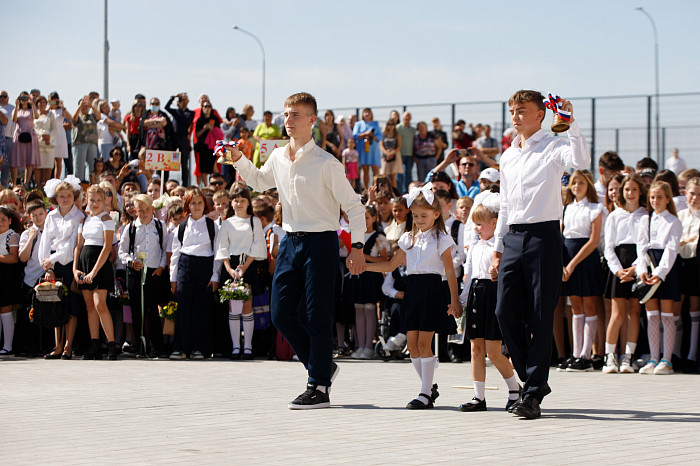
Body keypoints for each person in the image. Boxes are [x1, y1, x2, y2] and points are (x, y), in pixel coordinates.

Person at [225, 92, 366, 409]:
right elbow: (261, 182)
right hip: (289, 240)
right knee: (281, 313)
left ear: (312, 120)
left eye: (296, 115)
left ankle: (318, 386)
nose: (288, 120)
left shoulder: (327, 163)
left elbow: (354, 207)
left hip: (321, 241)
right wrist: (239, 159)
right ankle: (322, 367)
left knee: (318, 315)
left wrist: (357, 245)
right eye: (286, 114)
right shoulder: (277, 156)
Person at [491, 90, 589, 419]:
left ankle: (532, 394)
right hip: (514, 237)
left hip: (545, 236)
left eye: (523, 110)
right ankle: (533, 379)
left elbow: (581, 162)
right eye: (513, 111)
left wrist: (571, 124)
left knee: (540, 316)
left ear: (539, 115)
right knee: (504, 312)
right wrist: (497, 247)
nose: (516, 116)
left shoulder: (552, 144)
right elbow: (504, 205)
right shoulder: (507, 156)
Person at [364, 183, 461, 409]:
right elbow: (389, 264)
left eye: (424, 215)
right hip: (413, 290)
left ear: (437, 214)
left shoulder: (442, 239)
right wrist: (364, 266)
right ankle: (428, 387)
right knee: (412, 344)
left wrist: (454, 300)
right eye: (416, 215)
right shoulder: (408, 239)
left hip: (431, 290)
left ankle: (425, 394)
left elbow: (449, 272)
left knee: (424, 343)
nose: (419, 219)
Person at [457, 195, 521, 412]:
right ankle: (478, 396)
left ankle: (514, 388)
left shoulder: (501, 246)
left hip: (494, 294)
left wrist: (498, 274)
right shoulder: (475, 247)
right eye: (474, 224)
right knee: (476, 348)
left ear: (495, 223)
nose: (476, 228)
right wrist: (461, 300)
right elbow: (470, 276)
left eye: (480, 224)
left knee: (493, 351)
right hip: (477, 293)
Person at [602, 174, 647, 374]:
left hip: (638, 265)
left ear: (640, 192)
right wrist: (618, 270)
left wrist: (636, 267)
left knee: (634, 313)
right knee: (617, 313)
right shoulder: (614, 215)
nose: (630, 193)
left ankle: (628, 357)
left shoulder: (646, 215)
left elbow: (645, 246)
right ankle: (610, 357)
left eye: (634, 190)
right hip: (618, 265)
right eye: (627, 189)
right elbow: (608, 247)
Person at [559, 170, 603, 372]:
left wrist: (572, 263)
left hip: (585, 259)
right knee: (575, 306)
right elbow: (560, 237)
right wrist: (562, 263)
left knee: (589, 305)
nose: (576, 186)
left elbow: (593, 241)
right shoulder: (566, 208)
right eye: (574, 183)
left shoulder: (595, 208)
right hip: (567, 258)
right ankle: (576, 354)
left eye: (581, 183)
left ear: (589, 185)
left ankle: (586, 354)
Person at [215, 187, 267, 360]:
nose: (239, 203)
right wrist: (229, 269)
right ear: (231, 202)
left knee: (247, 306)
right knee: (233, 307)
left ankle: (248, 347)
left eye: (242, 200)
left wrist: (244, 267)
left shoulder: (254, 221)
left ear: (248, 203)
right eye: (236, 200)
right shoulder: (227, 222)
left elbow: (258, 244)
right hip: (231, 266)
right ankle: (236, 347)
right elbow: (222, 246)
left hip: (248, 265)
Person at [169, 188, 220, 360]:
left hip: (205, 266)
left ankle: (200, 347)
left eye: (199, 203)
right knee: (183, 307)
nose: (196, 207)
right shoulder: (182, 227)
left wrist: (215, 276)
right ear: (187, 206)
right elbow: (175, 253)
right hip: (185, 265)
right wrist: (173, 278)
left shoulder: (212, 226)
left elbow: (217, 253)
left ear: (204, 205)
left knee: (202, 308)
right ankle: (181, 347)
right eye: (193, 203)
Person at [637, 181, 682, 375]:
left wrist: (659, 273)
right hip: (649, 265)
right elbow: (641, 247)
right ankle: (654, 357)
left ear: (668, 199)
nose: (655, 201)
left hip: (666, 269)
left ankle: (667, 360)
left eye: (660, 197)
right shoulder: (645, 220)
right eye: (653, 197)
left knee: (667, 315)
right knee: (651, 315)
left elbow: (671, 250)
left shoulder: (673, 221)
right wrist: (641, 269)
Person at [118, 194, 168, 358]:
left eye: (147, 210)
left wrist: (161, 267)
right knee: (136, 310)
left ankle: (158, 346)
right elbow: (122, 251)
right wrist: (131, 262)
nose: (144, 214)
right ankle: (140, 346)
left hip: (153, 272)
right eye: (140, 211)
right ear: (135, 211)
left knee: (152, 310)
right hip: (136, 272)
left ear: (152, 209)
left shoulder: (160, 226)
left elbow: (164, 249)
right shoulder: (131, 228)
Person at [39, 177, 84, 359]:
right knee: (55, 305)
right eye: (61, 196)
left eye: (68, 196)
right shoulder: (51, 215)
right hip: (53, 265)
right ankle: (57, 345)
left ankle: (68, 345)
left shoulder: (79, 216)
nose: (65, 199)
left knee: (71, 305)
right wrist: (46, 265)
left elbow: (71, 245)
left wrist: (53, 258)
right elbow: (45, 242)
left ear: (73, 197)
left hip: (70, 263)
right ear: (55, 198)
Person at [74, 185, 119, 360]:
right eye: (92, 200)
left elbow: (108, 247)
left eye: (99, 200)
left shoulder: (106, 219)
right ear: (87, 200)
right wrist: (75, 268)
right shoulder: (83, 220)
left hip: (100, 264)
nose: (95, 203)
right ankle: (94, 346)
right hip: (84, 262)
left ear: (104, 201)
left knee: (100, 304)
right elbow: (78, 246)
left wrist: (93, 271)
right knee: (89, 306)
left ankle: (112, 345)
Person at [346, 206, 388, 359]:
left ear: (373, 219)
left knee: (369, 310)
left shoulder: (379, 236)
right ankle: (360, 346)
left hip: (370, 277)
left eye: (367, 218)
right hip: (357, 277)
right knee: (358, 310)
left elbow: (384, 259)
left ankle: (368, 346)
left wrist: (363, 257)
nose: (364, 221)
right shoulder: (355, 235)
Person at [678, 177, 700, 372]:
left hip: (696, 264)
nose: (694, 198)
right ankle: (675, 353)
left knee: (694, 308)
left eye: (699, 195)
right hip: (679, 264)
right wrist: (684, 241)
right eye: (692, 193)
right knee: (675, 308)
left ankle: (692, 355)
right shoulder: (680, 215)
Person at [0, 205, 22, 355]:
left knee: (5, 310)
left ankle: (8, 346)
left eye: (3, 219)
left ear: (9, 221)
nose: (0, 222)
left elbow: (14, 258)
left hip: (6, 276)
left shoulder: (12, 235)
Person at [11, 92, 40, 186]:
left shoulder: (31, 110)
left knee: (29, 160)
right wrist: (16, 106)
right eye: (21, 98)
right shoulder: (17, 110)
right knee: (15, 160)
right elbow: (14, 120)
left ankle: (26, 183)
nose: (23, 101)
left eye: (25, 98)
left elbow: (37, 116)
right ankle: (14, 183)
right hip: (19, 134)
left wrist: (32, 103)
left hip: (30, 135)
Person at [164, 93, 194, 186]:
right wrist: (173, 97)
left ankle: (185, 185)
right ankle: (165, 182)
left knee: (184, 164)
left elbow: (185, 121)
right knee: (169, 162)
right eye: (181, 99)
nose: (183, 101)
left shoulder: (190, 113)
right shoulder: (176, 111)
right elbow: (166, 107)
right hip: (174, 140)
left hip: (183, 140)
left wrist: (181, 109)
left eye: (185, 99)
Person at [353, 108, 383, 191]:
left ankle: (376, 189)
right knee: (365, 170)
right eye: (365, 112)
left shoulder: (375, 124)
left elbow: (380, 136)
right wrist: (365, 134)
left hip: (373, 150)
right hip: (363, 149)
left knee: (376, 171)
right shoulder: (358, 124)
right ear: (363, 114)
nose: (367, 114)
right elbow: (355, 135)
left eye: (368, 112)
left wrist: (372, 135)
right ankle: (366, 190)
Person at [71, 96, 99, 180]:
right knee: (79, 166)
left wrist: (92, 106)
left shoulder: (91, 116)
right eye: (83, 105)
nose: (84, 107)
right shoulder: (78, 116)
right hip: (80, 143)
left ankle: (91, 183)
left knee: (92, 166)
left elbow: (98, 116)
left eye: (85, 106)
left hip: (92, 143)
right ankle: (79, 185)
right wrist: (80, 106)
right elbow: (74, 119)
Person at [33, 95, 57, 188]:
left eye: (44, 102)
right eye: (40, 102)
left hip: (49, 142)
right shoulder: (35, 114)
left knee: (47, 165)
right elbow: (34, 127)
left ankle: (46, 186)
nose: (42, 104)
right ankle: (38, 185)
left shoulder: (50, 114)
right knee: (37, 166)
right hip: (38, 141)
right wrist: (41, 135)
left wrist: (48, 136)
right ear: (37, 104)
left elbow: (54, 128)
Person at [48, 92, 71, 178]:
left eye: (55, 101)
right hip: (50, 136)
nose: (53, 103)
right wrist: (48, 108)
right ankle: (49, 179)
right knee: (49, 160)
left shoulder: (61, 110)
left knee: (58, 160)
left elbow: (69, 118)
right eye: (51, 101)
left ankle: (57, 180)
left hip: (60, 135)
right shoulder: (48, 111)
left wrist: (63, 106)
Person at [379, 119, 403, 188]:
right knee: (384, 174)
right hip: (385, 155)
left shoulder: (397, 134)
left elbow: (399, 146)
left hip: (395, 155)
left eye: (392, 124)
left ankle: (393, 190)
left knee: (393, 175)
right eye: (389, 124)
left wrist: (392, 153)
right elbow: (381, 145)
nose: (391, 126)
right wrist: (386, 153)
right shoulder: (384, 134)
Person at [396, 112, 415, 194]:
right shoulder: (398, 128)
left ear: (410, 118)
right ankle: (399, 192)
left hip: (410, 155)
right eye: (405, 116)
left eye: (408, 116)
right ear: (403, 117)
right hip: (400, 154)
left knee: (409, 174)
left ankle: (408, 192)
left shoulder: (412, 130)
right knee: (399, 175)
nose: (407, 118)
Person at [0, 90, 15, 186]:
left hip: (7, 138)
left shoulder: (12, 108)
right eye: (0, 96)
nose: (2, 98)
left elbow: (5, 121)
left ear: (8, 98)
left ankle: (4, 185)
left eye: (4, 96)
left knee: (7, 164)